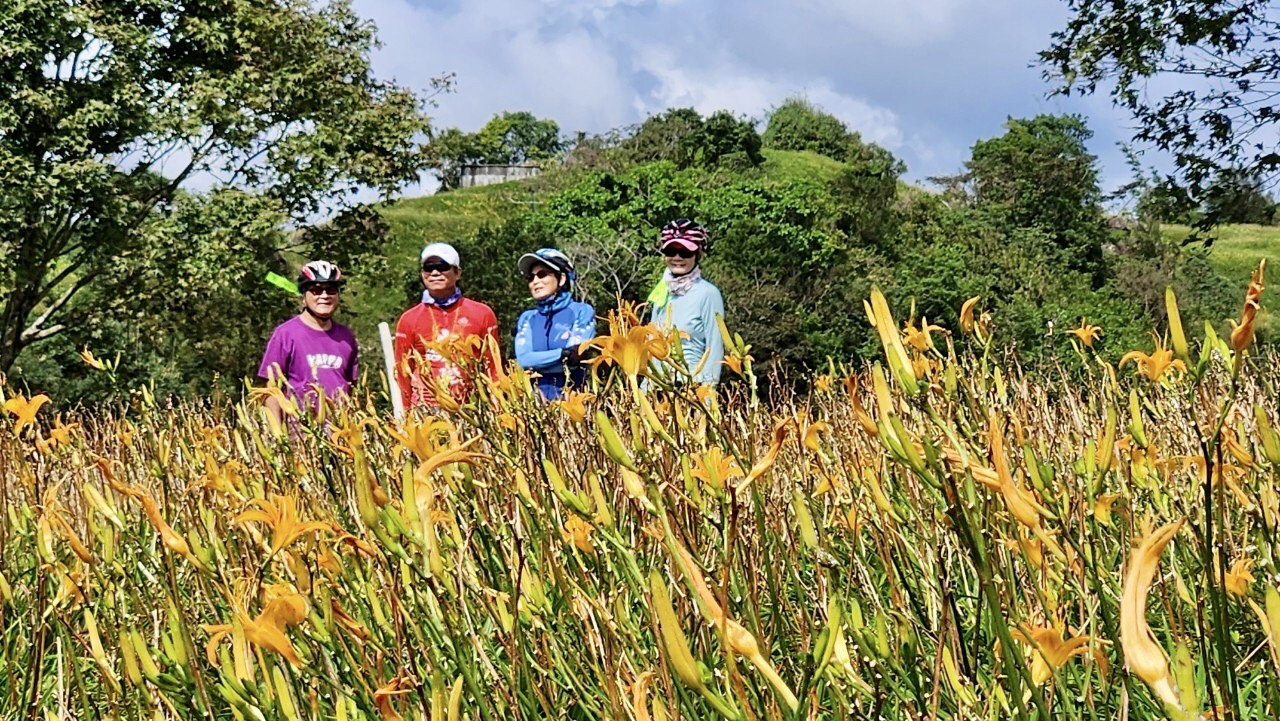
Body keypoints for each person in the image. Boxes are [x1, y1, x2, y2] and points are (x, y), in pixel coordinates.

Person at [394, 242, 500, 408]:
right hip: (425, 409)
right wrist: (404, 415)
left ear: (457, 273)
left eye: (442, 266)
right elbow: (402, 374)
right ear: (422, 273)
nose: (435, 272)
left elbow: (493, 368)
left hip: (470, 408)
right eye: (428, 268)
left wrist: (498, 409)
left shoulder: (482, 314)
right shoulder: (409, 319)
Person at [258, 260, 359, 426]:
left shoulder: (346, 337)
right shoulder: (285, 334)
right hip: (300, 433)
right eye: (316, 290)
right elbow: (271, 391)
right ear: (304, 297)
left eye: (331, 290)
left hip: (341, 433)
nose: (324, 296)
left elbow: (352, 388)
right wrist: (277, 438)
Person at [648, 218, 725, 385]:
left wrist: (706, 392)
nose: (677, 257)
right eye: (670, 251)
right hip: (657, 385)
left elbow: (715, 346)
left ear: (697, 255)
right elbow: (651, 339)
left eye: (685, 252)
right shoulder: (662, 290)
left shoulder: (708, 293)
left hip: (691, 385)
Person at [513, 248, 596, 400]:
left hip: (574, 401)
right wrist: (562, 354)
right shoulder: (527, 318)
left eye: (542, 274)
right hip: (538, 407)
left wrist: (540, 361)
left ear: (562, 278)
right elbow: (524, 360)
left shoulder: (582, 311)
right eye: (530, 277)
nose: (535, 281)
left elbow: (575, 359)